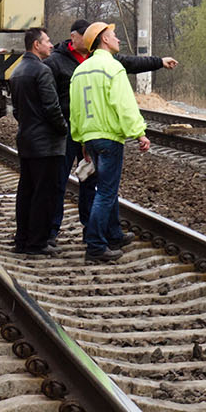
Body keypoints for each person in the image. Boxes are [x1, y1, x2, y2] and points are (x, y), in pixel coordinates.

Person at [68, 22, 171, 264]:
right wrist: (139, 133)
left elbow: (75, 110)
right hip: (109, 138)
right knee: (106, 192)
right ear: (104, 40)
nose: (118, 39)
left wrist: (81, 139)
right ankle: (95, 245)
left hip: (90, 138)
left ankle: (113, 235)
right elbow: (125, 105)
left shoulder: (80, 71)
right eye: (113, 35)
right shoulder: (113, 68)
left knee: (106, 189)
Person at [10, 27, 68, 255]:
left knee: (26, 191)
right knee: (44, 193)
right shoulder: (42, 71)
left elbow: (16, 110)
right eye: (47, 41)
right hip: (46, 143)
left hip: (26, 139)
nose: (51, 45)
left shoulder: (17, 71)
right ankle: (37, 242)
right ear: (36, 45)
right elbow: (52, 107)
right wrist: (63, 129)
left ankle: (22, 240)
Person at [44, 18, 93, 245]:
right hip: (65, 131)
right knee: (57, 182)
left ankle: (91, 231)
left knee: (90, 181)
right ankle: (50, 231)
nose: (89, 39)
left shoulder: (95, 58)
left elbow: (128, 62)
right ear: (73, 36)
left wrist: (158, 62)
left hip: (88, 131)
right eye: (84, 35)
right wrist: (59, 125)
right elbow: (48, 98)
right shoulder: (55, 62)